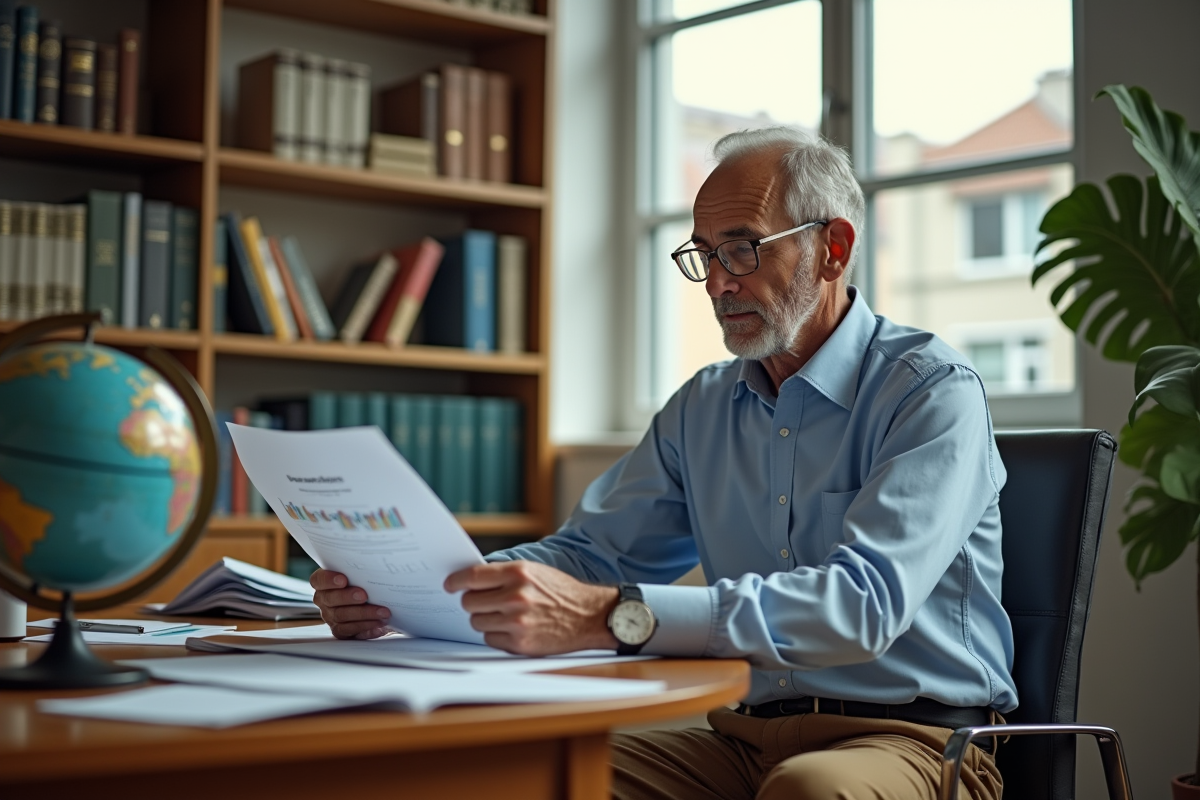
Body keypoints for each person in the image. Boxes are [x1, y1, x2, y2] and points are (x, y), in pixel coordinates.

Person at [311, 126, 1015, 800]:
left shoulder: (930, 391)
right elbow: (591, 558)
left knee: (811, 791)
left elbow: (859, 608)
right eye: (703, 255)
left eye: (741, 250)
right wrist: (411, 591)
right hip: (744, 739)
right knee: (521, 773)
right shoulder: (703, 407)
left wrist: (613, 618)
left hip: (917, 742)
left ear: (833, 248)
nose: (715, 284)